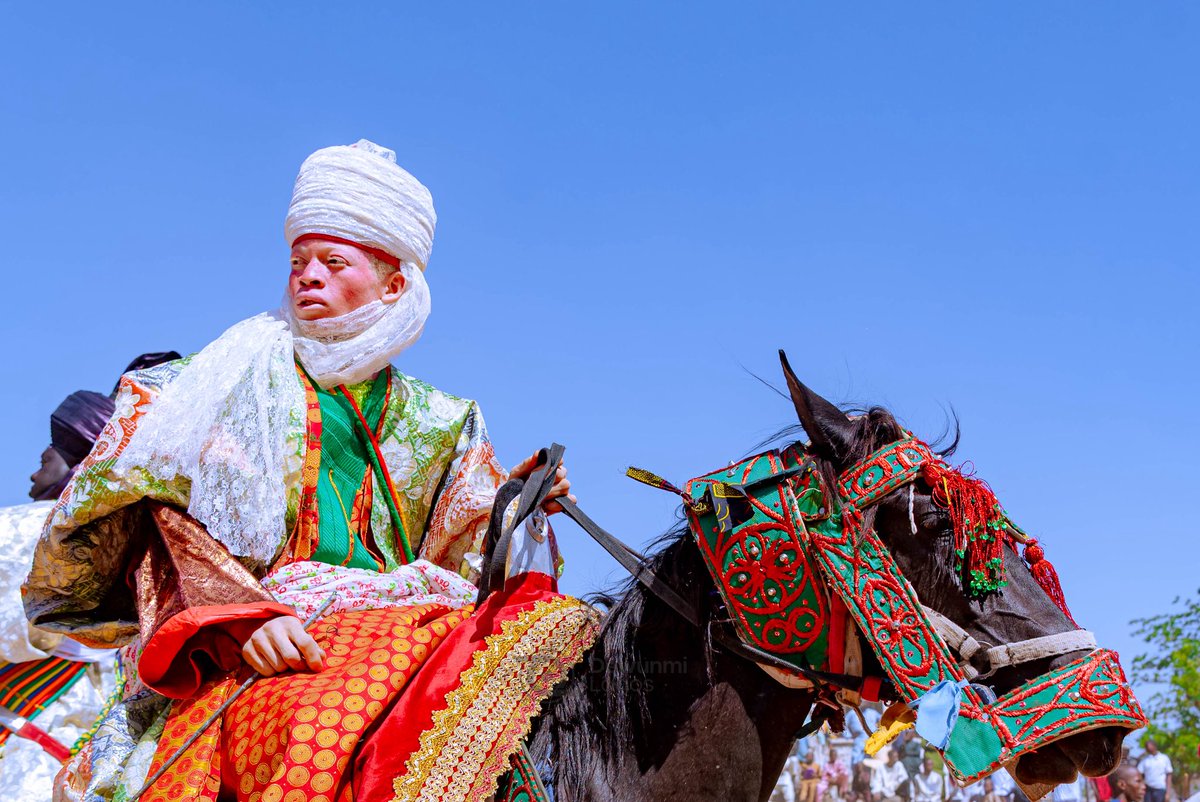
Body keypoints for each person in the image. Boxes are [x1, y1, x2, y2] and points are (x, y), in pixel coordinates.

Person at [24, 140, 599, 802]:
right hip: (264, 634)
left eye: (333, 262)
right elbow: (149, 511)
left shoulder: (445, 418)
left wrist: (513, 509)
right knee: (309, 723)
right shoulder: (212, 387)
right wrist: (241, 617)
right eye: (298, 261)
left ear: (394, 285)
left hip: (409, 622)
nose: (308, 277)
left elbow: (467, 557)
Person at [2, 355, 176, 802]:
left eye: (45, 458)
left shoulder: (28, 527)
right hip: (91, 754)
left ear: (79, 461)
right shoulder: (149, 541)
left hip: (27, 750)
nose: (33, 474)